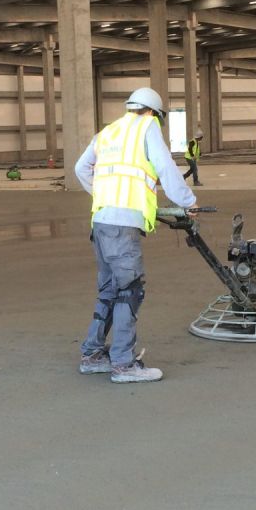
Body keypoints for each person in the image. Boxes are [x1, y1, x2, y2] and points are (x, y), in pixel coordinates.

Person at [74, 87, 198, 384]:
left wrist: (105, 197)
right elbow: (165, 167)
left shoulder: (108, 132)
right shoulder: (147, 126)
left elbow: (81, 168)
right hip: (121, 225)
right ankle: (123, 364)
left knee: (109, 290)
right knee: (129, 291)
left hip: (100, 221)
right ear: (153, 112)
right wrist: (188, 202)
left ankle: (92, 355)